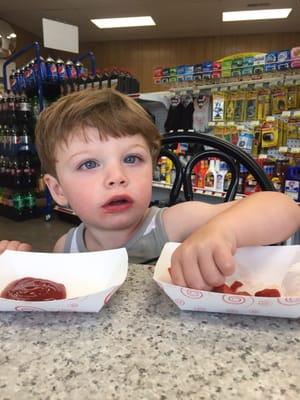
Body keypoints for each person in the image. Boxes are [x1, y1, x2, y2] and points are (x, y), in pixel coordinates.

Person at [0, 89, 299, 291]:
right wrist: (17, 268)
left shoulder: (172, 224)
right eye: (89, 164)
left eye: (132, 159)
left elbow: (284, 208)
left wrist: (223, 231)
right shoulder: (66, 249)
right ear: (58, 190)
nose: (116, 177)